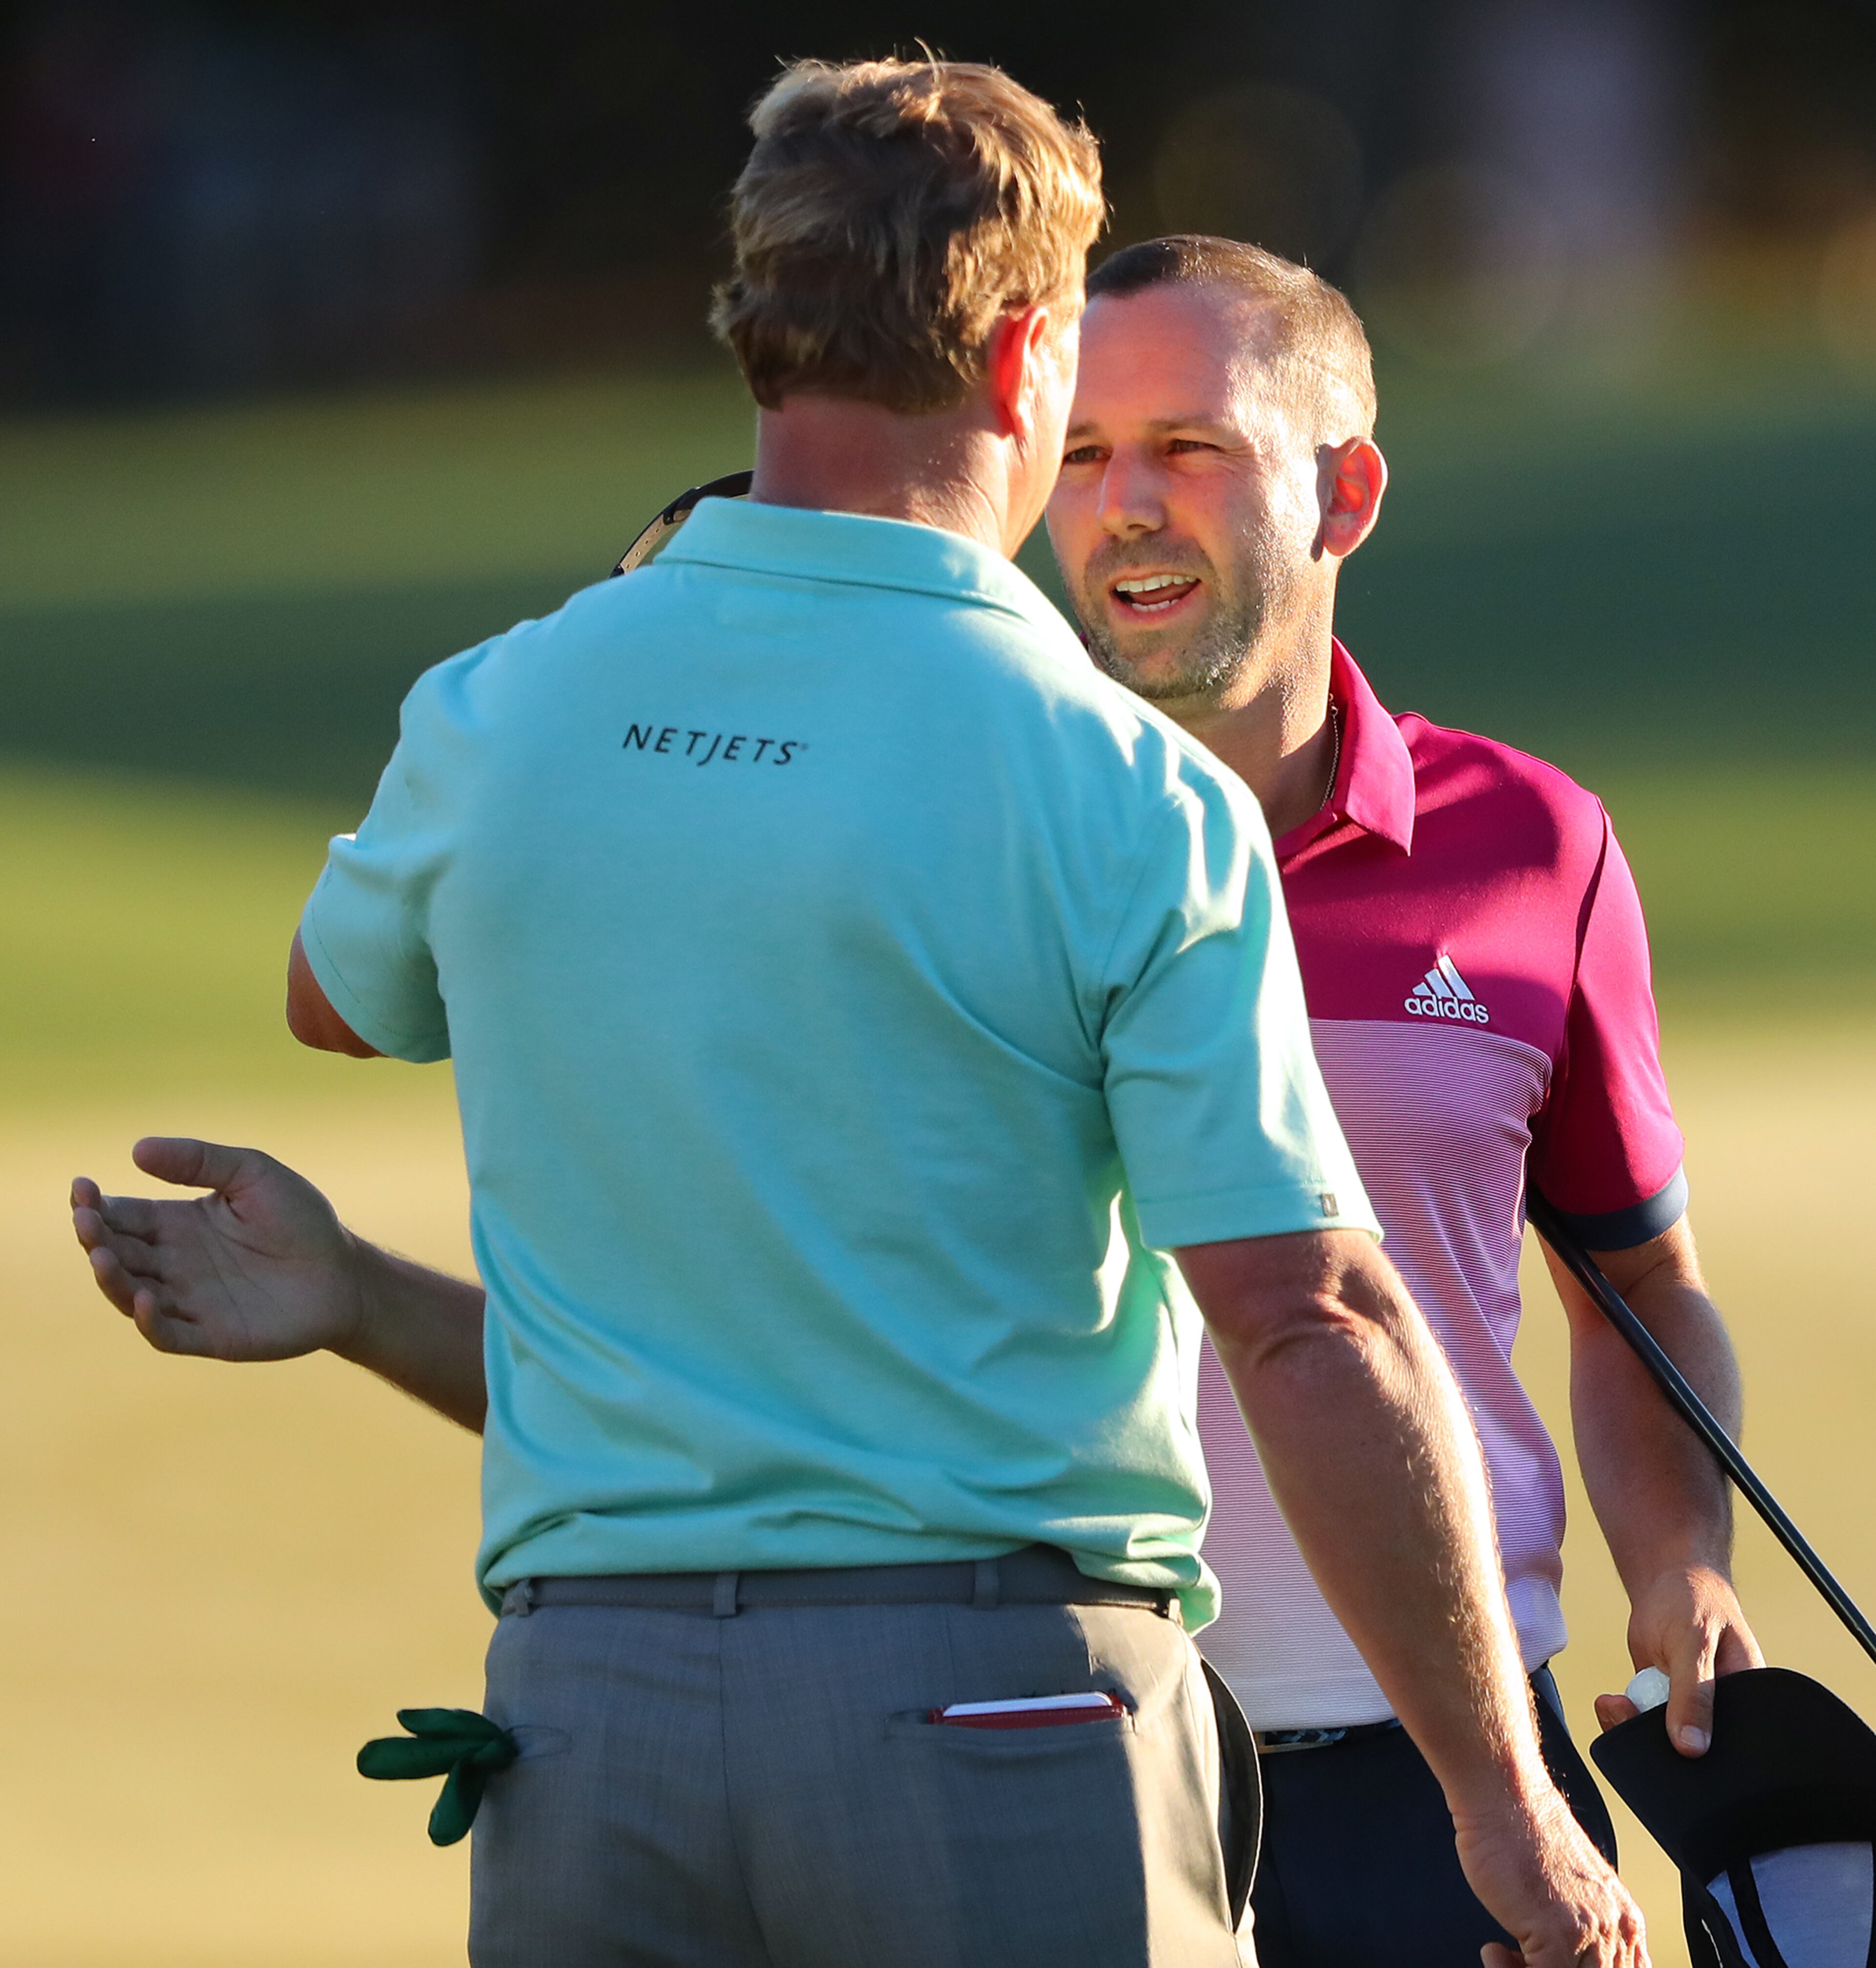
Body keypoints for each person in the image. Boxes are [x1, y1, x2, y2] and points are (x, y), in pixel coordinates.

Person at [70, 62, 1647, 1968]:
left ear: (759, 325)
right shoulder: (1125, 790)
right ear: (1025, 360)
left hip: (590, 1735)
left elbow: (346, 995)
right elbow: (1305, 1320)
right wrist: (1502, 1802)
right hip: (1002, 1731)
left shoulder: (510, 705)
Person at [1046, 232, 1764, 1966]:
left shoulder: (1532, 842)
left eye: (1191, 448)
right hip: (1063, 1763)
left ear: (1345, 493)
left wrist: (1681, 1553)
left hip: (1452, 1788)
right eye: (1078, 454)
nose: (1125, 506)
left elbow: (1642, 1286)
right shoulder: (971, 842)